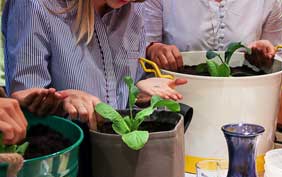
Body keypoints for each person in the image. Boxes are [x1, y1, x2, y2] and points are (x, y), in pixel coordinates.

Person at [2, 0, 187, 130]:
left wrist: (140, 91)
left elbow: (119, 93)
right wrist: (64, 99)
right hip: (66, 160)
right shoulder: (36, 6)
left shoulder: (133, 11)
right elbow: (23, 101)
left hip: (115, 156)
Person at [143, 0, 282, 71]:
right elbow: (142, 49)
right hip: (178, 98)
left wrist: (267, 55)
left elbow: (278, 60)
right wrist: (154, 49)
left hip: (244, 98)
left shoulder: (268, 2)